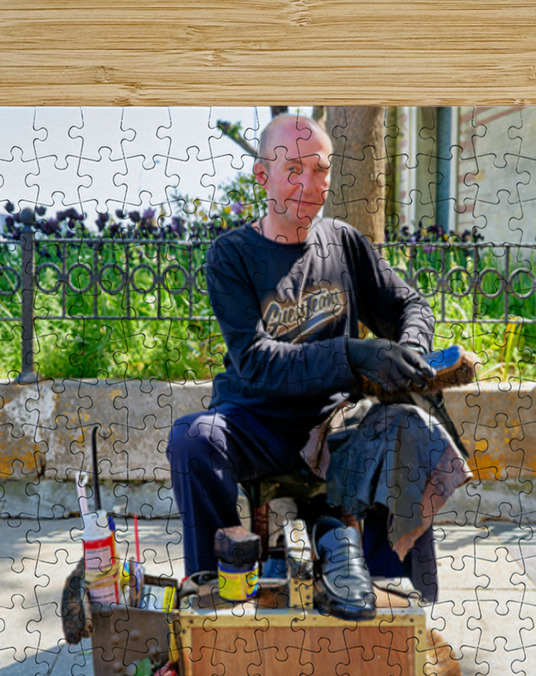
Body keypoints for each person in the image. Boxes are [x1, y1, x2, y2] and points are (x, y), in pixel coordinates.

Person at [167, 114, 457, 611]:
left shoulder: (343, 242)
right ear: (263, 177)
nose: (310, 184)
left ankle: (391, 598)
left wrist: (408, 348)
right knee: (192, 439)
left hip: (335, 424)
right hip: (254, 422)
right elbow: (256, 362)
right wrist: (352, 353)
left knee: (407, 427)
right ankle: (216, 584)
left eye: (320, 170)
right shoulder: (230, 255)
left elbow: (410, 305)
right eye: (294, 169)